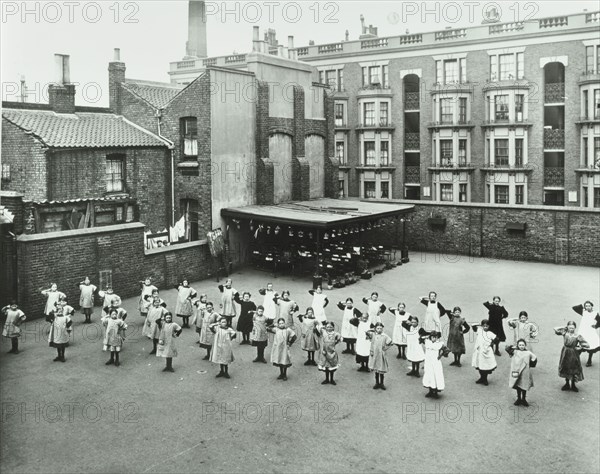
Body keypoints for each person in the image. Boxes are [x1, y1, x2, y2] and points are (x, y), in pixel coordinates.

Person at [555, 321, 590, 392]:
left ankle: (573, 384)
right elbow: (555, 329)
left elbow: (586, 344)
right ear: (567, 327)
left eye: (573, 328)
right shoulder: (565, 333)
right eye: (570, 327)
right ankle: (567, 383)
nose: (571, 329)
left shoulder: (577, 336)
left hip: (573, 354)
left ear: (575, 328)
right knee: (565, 366)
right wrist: (564, 328)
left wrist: (580, 347)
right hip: (565, 352)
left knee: (573, 368)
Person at [506, 339, 537, 406]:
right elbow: (507, 349)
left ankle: (524, 399)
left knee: (524, 385)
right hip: (516, 370)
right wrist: (513, 347)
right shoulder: (515, 351)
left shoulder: (528, 353)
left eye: (523, 345)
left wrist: (530, 364)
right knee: (517, 385)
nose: (521, 346)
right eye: (520, 345)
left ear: (525, 345)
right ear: (517, 345)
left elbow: (534, 358)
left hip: (524, 372)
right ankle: (519, 398)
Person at [366, 322, 394, 390]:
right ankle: (377, 383)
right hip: (375, 354)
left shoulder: (385, 336)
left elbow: (391, 342)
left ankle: (382, 383)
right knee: (376, 370)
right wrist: (371, 351)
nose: (379, 330)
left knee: (381, 370)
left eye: (381, 328)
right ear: (375, 328)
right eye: (378, 328)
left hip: (381, 355)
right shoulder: (373, 335)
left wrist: (386, 348)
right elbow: (369, 338)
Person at [572, 301, 600, 367]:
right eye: (586, 306)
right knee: (580, 345)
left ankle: (589, 360)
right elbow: (574, 308)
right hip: (582, 331)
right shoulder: (583, 312)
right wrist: (582, 307)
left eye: (589, 306)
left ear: (592, 306)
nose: (587, 307)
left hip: (590, 331)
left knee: (590, 346)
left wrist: (596, 326)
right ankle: (576, 360)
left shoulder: (595, 313)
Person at [422, 331, 449, 398]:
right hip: (428, 362)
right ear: (430, 337)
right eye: (432, 337)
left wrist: (441, 355)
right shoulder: (427, 342)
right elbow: (420, 338)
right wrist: (427, 336)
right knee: (429, 375)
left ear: (437, 338)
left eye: (435, 337)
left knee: (436, 376)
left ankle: (435, 392)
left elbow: (447, 350)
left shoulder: (439, 344)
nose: (434, 338)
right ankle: (430, 391)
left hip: (436, 363)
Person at [471, 319, 498, 386]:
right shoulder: (479, 331)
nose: (485, 327)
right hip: (479, 351)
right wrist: (478, 325)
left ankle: (485, 378)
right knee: (479, 365)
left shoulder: (490, 333)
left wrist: (491, 344)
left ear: (489, 326)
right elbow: (474, 327)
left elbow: (497, 339)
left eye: (487, 326)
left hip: (486, 351)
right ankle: (481, 378)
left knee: (485, 366)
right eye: (483, 326)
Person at [316, 320, 341, 385]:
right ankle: (327, 379)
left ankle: (332, 379)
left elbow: (339, 339)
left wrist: (335, 343)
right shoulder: (323, 332)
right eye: (327, 327)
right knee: (326, 367)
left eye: (330, 327)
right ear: (325, 327)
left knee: (332, 366)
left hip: (332, 352)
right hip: (325, 352)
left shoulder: (335, 334)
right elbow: (319, 327)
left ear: (333, 327)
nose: (329, 328)